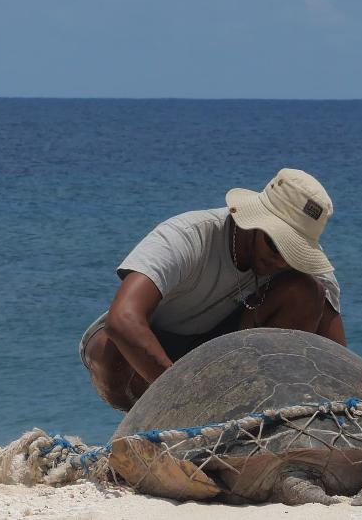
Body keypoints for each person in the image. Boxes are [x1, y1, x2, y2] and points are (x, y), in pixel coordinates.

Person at [81, 169, 346, 411]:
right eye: (276, 245)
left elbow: (338, 361)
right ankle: (152, 425)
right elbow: (122, 320)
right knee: (107, 349)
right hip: (155, 350)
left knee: (306, 292)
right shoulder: (188, 235)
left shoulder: (303, 270)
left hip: (223, 352)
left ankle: (254, 414)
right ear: (253, 221)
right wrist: (188, 397)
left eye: (294, 252)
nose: (281, 261)